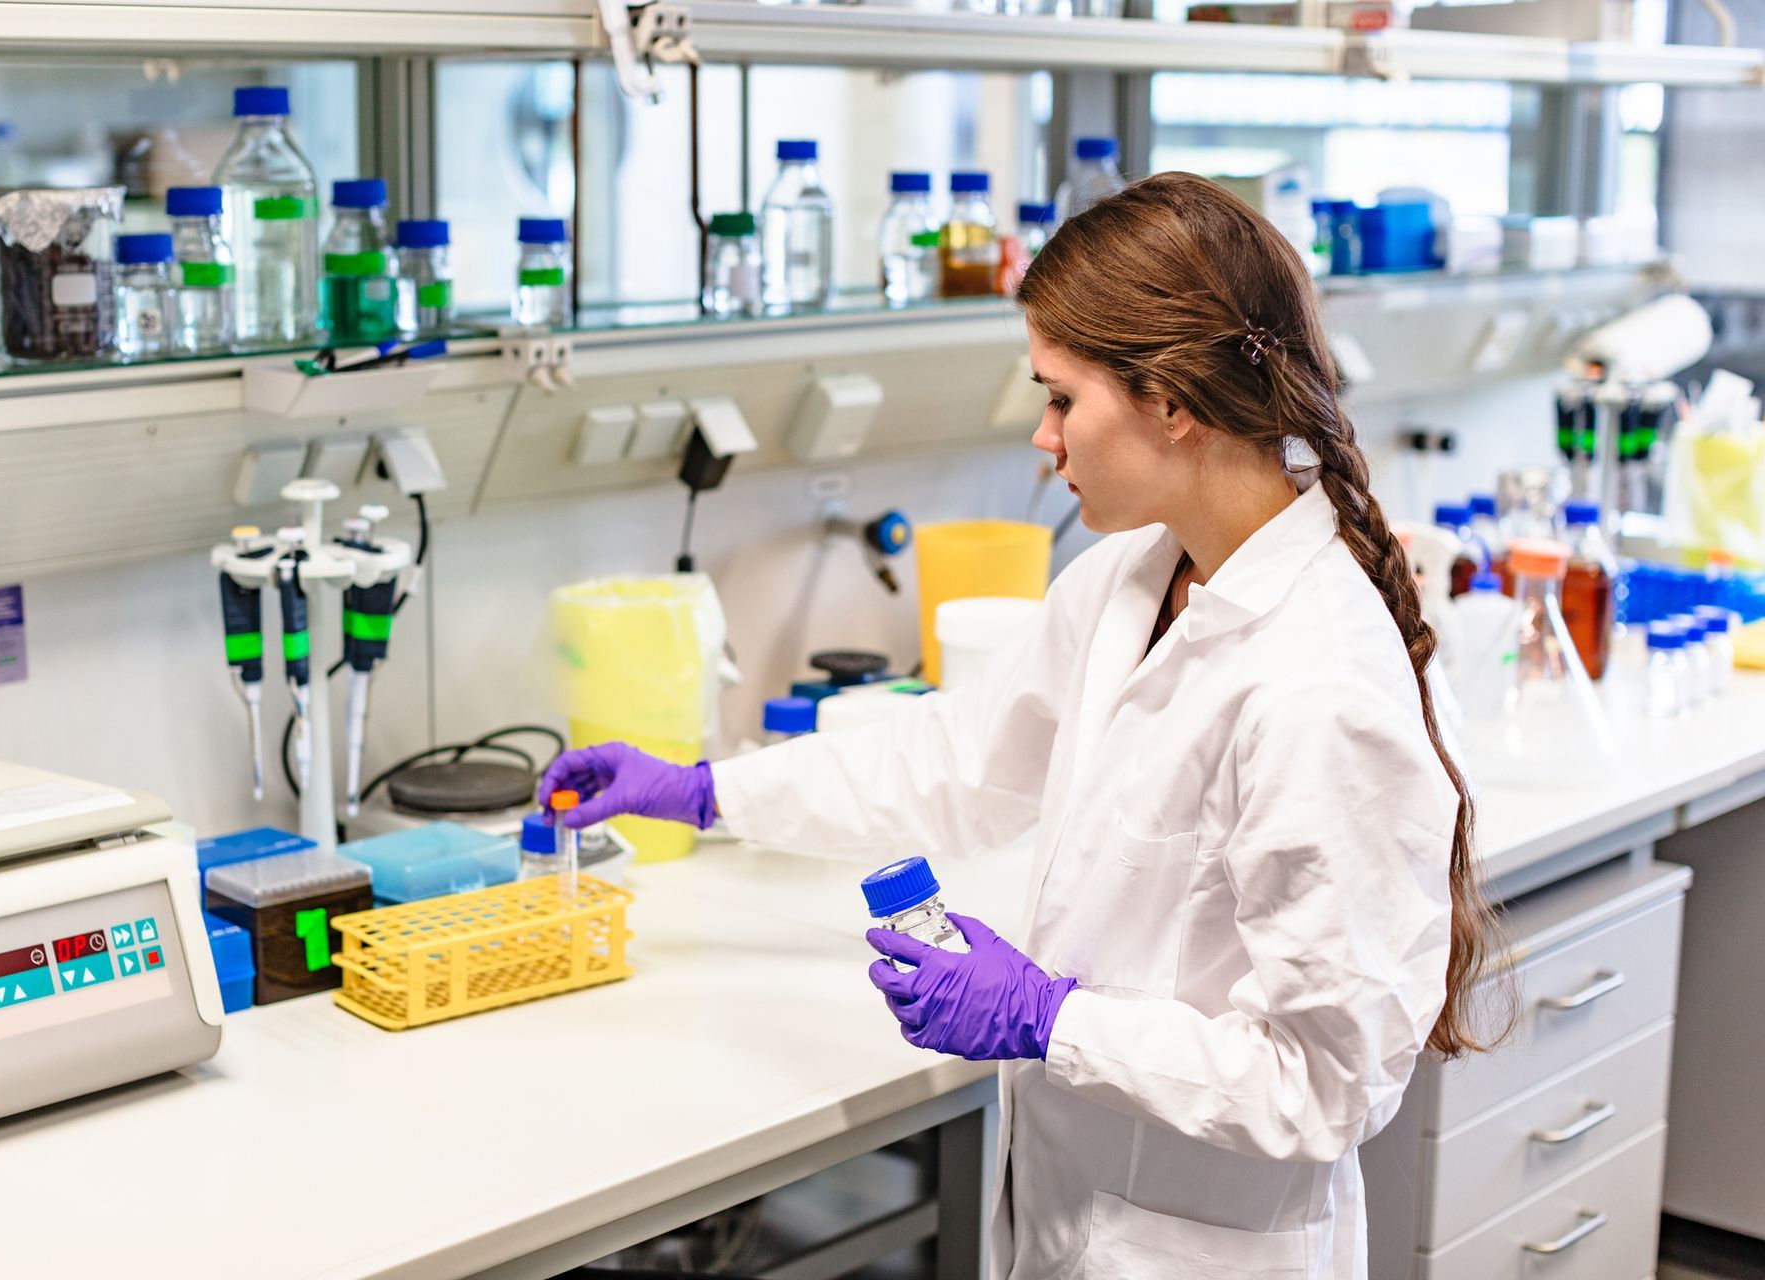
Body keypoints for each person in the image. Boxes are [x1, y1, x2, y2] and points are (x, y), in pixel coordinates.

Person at [540, 171, 1501, 1280]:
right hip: (1068, 1217)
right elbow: (956, 758)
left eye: (1061, 397)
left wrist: (1055, 1020)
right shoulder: (1132, 580)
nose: (1043, 437)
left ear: (1173, 401)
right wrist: (706, 790)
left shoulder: (1314, 687)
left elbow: (1327, 1085)